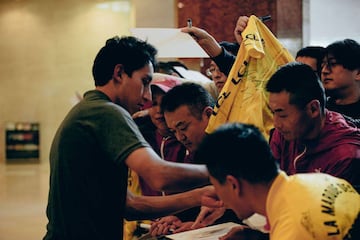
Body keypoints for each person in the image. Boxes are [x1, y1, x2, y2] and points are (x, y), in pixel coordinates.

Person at [43, 35, 211, 240]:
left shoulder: (87, 110)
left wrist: (199, 196)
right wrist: (220, 173)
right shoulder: (107, 112)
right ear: (119, 73)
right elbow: (159, 175)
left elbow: (130, 205)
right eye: (145, 82)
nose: (148, 96)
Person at [194, 122, 360, 240]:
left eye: (216, 186)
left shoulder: (291, 229)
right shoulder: (318, 179)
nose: (220, 198)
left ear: (233, 184)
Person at [149, 82, 240, 236]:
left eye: (183, 128)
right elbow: (202, 202)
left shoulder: (238, 145)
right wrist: (177, 218)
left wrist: (199, 225)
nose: (180, 137)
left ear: (209, 114)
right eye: (174, 131)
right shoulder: (195, 151)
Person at [267, 62, 360, 186]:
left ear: (313, 109)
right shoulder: (282, 134)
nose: (276, 123)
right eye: (273, 113)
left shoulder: (345, 155)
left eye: (283, 115)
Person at [322, 39, 360, 120]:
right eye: (323, 65)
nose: (324, 71)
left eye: (333, 64)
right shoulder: (320, 110)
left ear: (358, 73)